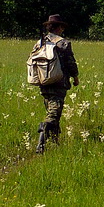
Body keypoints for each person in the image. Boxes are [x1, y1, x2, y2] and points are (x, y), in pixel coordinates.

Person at [34, 14, 79, 153]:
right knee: (53, 113)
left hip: (43, 81)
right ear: (58, 27)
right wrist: (75, 77)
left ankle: (55, 140)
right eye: (62, 27)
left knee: (52, 110)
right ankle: (42, 137)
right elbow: (70, 63)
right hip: (58, 81)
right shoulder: (62, 43)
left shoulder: (40, 42)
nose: (62, 30)